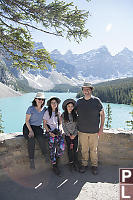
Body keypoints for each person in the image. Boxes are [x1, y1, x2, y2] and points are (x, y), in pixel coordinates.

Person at [76, 82, 105, 175]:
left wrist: (101, 128)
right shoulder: (79, 101)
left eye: (88, 89)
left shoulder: (96, 101)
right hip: (82, 131)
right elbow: (73, 113)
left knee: (93, 150)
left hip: (94, 131)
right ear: (83, 91)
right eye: (85, 89)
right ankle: (84, 165)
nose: (86, 91)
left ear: (91, 90)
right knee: (84, 149)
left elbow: (102, 114)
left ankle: (94, 166)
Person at [23, 92, 47, 169]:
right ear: (35, 99)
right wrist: (30, 131)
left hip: (37, 127)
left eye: (42, 99)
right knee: (31, 139)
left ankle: (45, 155)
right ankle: (31, 160)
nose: (41, 101)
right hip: (28, 127)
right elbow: (27, 121)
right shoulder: (31, 108)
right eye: (39, 99)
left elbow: (45, 120)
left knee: (41, 139)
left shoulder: (44, 109)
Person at [43, 97, 65, 175]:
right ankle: (54, 165)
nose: (54, 104)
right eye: (52, 102)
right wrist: (49, 132)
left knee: (62, 147)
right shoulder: (47, 112)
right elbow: (44, 124)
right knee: (52, 148)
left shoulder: (58, 112)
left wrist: (61, 129)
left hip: (57, 132)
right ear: (50, 104)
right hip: (50, 132)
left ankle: (57, 158)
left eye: (55, 102)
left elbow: (60, 123)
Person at [62, 99, 79, 172]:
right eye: (69, 106)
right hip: (67, 135)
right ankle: (71, 163)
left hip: (75, 135)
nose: (70, 107)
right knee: (69, 149)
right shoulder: (63, 115)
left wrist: (74, 134)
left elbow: (77, 126)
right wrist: (69, 134)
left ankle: (75, 162)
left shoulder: (75, 115)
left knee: (75, 149)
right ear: (66, 107)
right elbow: (63, 126)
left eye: (72, 106)